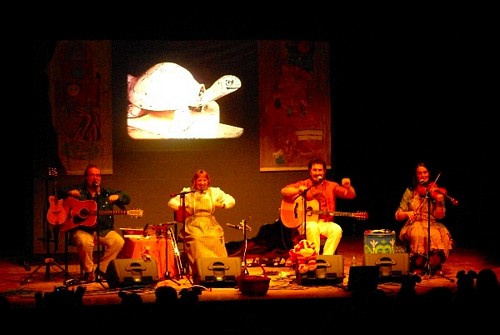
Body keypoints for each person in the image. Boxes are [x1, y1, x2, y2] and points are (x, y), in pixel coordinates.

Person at [62, 164, 130, 282]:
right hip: (83, 229)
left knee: (118, 241)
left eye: (98, 175)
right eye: (92, 175)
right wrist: (69, 193)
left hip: (103, 230)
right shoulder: (79, 191)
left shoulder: (106, 193)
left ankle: (101, 270)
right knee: (85, 242)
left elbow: (126, 197)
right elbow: (58, 192)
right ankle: (89, 271)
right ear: (86, 177)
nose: (95, 178)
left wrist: (117, 196)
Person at [280, 157, 356, 255]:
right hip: (305, 223)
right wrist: (298, 189)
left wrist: (348, 187)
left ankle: (326, 258)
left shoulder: (331, 186)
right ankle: (314, 258)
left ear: (324, 172)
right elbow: (284, 191)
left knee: (337, 229)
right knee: (313, 226)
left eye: (320, 170)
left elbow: (351, 195)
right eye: (314, 170)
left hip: (325, 222)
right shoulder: (304, 184)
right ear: (310, 171)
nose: (317, 173)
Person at [168, 169, 235, 278]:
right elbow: (172, 203)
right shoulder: (188, 192)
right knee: (197, 239)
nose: (202, 183)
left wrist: (222, 205)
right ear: (194, 181)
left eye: (204, 180)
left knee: (215, 237)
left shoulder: (214, 192)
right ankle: (199, 271)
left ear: (208, 181)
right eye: (199, 180)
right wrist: (181, 205)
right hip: (194, 223)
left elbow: (231, 200)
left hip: (210, 222)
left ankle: (218, 270)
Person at [395, 162, 452, 275]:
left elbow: (439, 216)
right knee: (418, 233)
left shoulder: (435, 191)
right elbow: (397, 215)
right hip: (414, 223)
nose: (422, 175)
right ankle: (418, 265)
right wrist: (407, 213)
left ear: (429, 173)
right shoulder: (410, 191)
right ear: (416, 175)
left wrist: (439, 203)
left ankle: (435, 265)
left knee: (441, 234)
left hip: (432, 223)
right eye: (419, 173)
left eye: (425, 172)